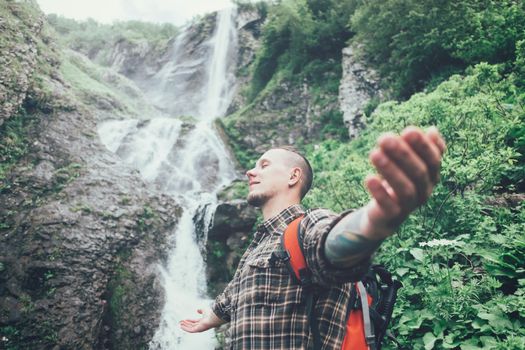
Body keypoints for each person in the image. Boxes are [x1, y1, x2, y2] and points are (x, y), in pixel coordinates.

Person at [180, 126, 446, 349]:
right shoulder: (257, 248)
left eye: (264, 164)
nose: (250, 171)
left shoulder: (308, 225)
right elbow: (231, 299)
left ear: (293, 176)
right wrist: (210, 317)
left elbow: (332, 244)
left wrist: (374, 220)